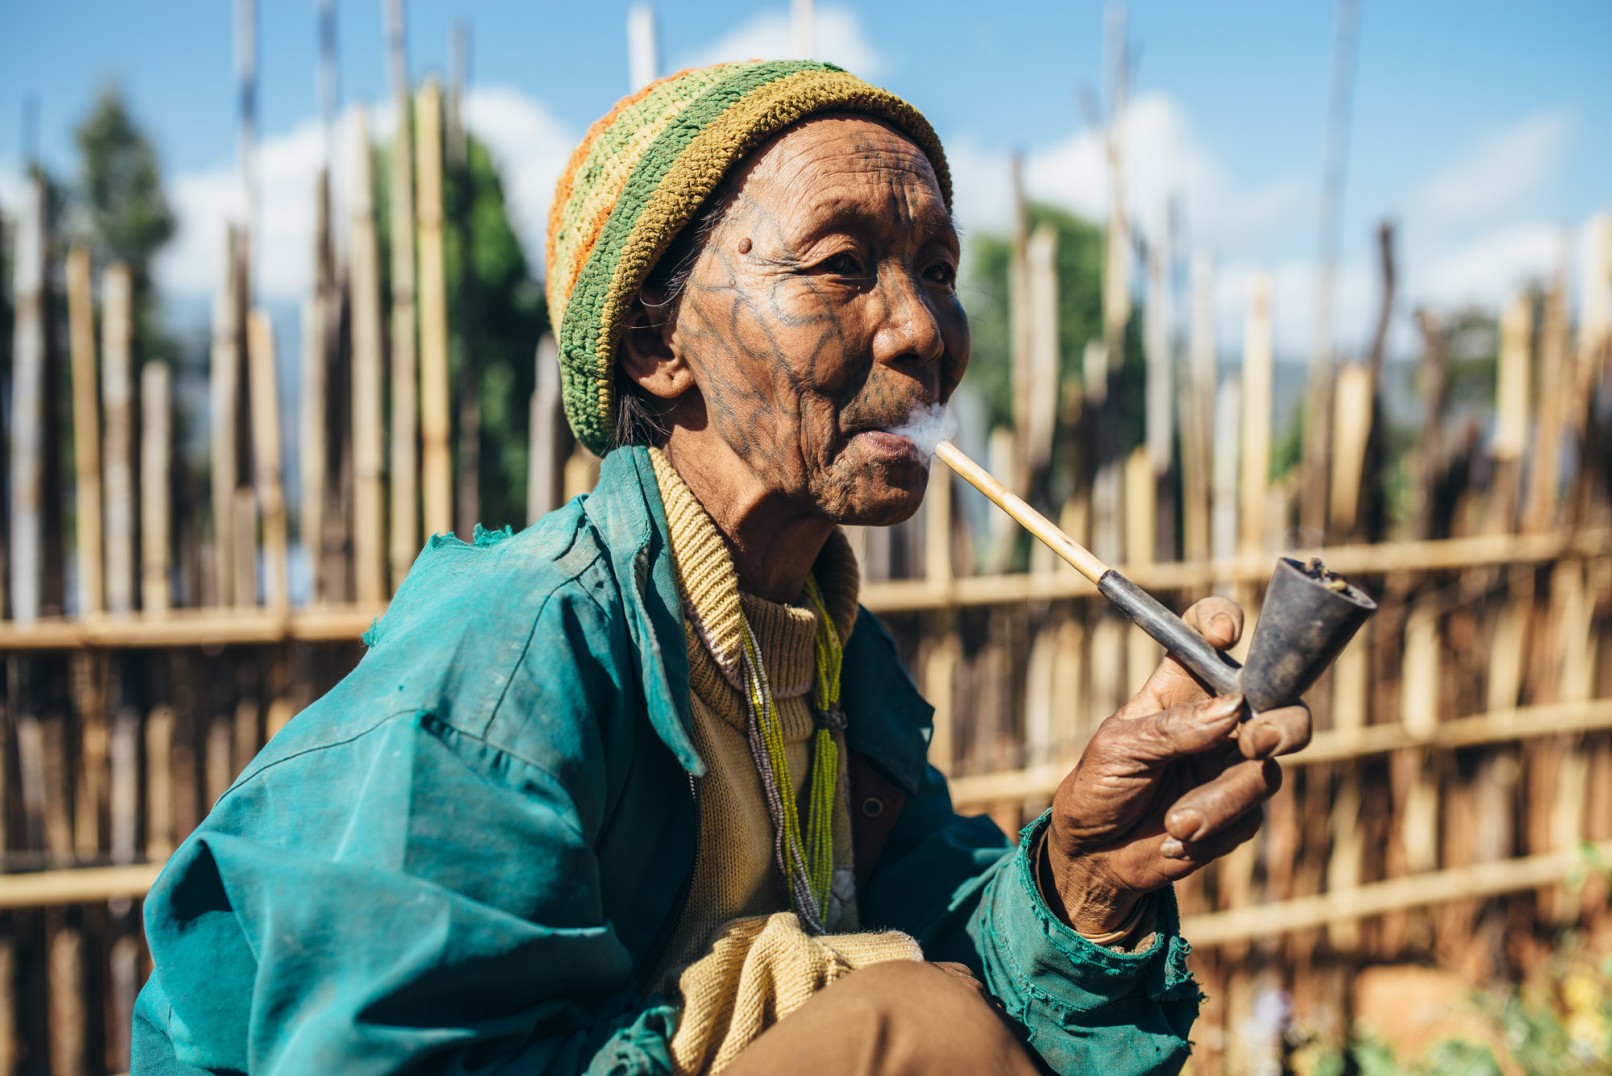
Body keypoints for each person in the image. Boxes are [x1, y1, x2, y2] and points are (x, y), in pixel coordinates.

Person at [133, 60, 1310, 1075]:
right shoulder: (512, 661)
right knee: (917, 1033)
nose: (924, 332)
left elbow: (955, 932)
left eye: (937, 269)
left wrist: (1079, 875)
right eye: (844, 264)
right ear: (657, 348)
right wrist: (824, 987)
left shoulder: (830, 654)